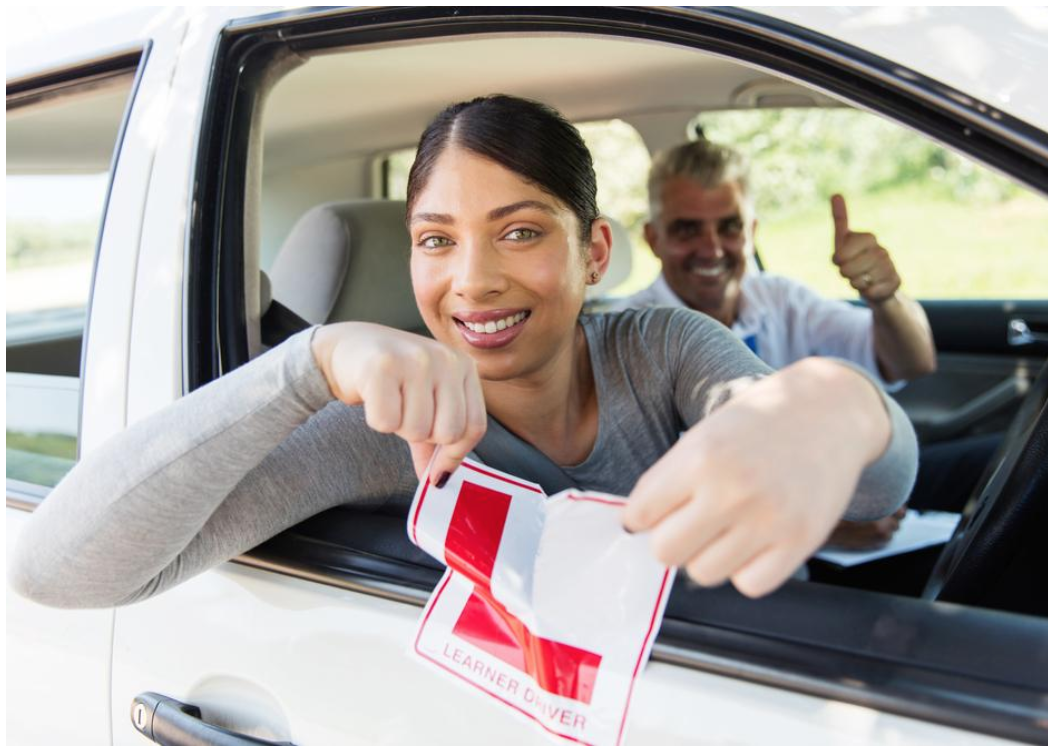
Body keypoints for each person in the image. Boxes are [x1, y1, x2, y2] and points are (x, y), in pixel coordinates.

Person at [9, 95, 917, 610]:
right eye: (436, 241)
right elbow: (57, 572)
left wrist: (836, 401)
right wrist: (307, 365)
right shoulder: (381, 427)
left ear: (594, 252)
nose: (473, 281)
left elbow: (878, 486)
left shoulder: (660, 347)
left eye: (520, 232)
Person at [616, 140, 956, 552]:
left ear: (752, 230)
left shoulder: (779, 299)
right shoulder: (627, 335)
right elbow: (631, 498)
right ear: (654, 238)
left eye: (729, 226)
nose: (712, 248)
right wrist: (818, 527)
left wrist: (886, 296)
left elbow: (912, 362)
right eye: (687, 229)